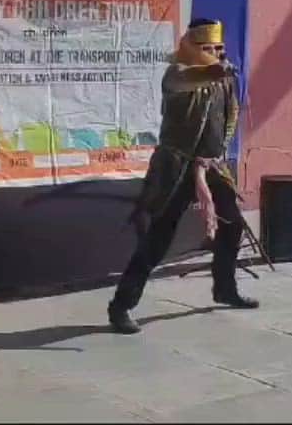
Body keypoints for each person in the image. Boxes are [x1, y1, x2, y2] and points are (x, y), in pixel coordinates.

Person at [108, 18, 254, 335]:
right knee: (158, 237)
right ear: (191, 48)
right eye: (208, 48)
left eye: (219, 48)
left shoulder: (224, 78)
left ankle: (224, 288)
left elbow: (228, 116)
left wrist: (215, 157)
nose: (216, 53)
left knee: (232, 225)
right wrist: (216, 70)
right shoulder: (177, 74)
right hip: (176, 167)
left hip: (211, 166)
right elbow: (190, 79)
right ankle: (121, 306)